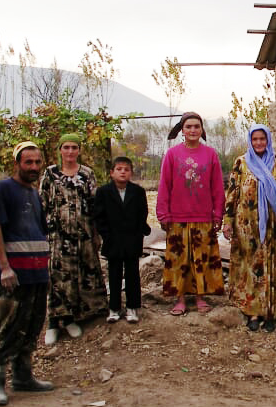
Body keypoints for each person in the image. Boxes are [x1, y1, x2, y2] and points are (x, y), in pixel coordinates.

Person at [0, 141, 55, 406]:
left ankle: (24, 376)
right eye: (28, 162)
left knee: (33, 323)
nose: (34, 167)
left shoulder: (34, 193)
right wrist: (4, 267)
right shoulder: (4, 189)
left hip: (37, 273)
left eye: (38, 162)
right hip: (14, 274)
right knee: (11, 324)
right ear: (17, 163)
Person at [39, 132, 108, 344]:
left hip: (84, 234)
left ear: (79, 150)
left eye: (74, 147)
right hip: (58, 236)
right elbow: (42, 205)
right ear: (60, 150)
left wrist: (96, 235)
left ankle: (75, 317)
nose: (70, 151)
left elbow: (95, 205)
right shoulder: (50, 174)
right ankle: (55, 321)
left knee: (83, 273)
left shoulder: (87, 174)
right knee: (59, 276)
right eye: (66, 147)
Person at [222, 125, 276, 333]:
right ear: (250, 141)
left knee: (271, 266)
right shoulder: (241, 162)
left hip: (272, 224)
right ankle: (252, 311)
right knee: (251, 267)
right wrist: (228, 220)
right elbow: (233, 193)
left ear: (268, 140)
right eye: (255, 139)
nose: (259, 143)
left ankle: (270, 312)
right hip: (246, 225)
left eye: (262, 139)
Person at [156, 111, 225, 315]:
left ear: (202, 130)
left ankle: (200, 297)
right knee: (179, 260)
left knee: (202, 259)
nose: (193, 130)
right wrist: (163, 214)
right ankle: (179, 300)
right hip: (177, 217)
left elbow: (217, 188)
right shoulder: (172, 154)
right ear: (182, 131)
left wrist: (218, 214)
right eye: (189, 127)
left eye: (197, 126)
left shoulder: (210, 154)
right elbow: (164, 185)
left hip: (203, 217)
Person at [93, 157, 151, 324]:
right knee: (114, 274)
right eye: (119, 169)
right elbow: (99, 216)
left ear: (131, 173)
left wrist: (139, 232)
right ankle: (114, 308)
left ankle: (133, 307)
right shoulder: (103, 192)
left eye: (126, 169)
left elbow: (143, 213)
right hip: (113, 240)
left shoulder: (138, 191)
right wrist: (106, 235)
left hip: (132, 239)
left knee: (133, 274)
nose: (123, 172)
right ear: (112, 173)